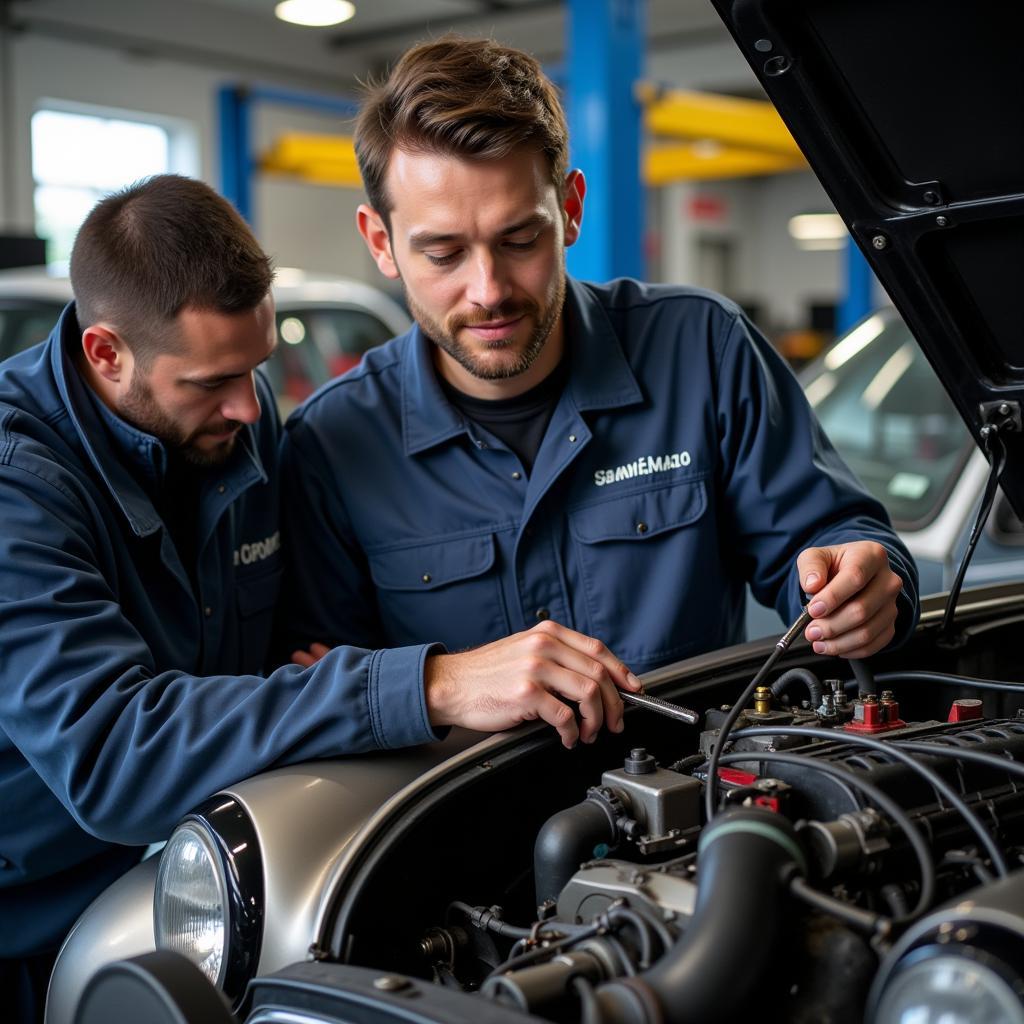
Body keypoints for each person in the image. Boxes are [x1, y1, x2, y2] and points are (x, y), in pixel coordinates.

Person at [3, 175, 634, 1022]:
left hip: (199, 893)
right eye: (210, 382)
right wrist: (429, 684)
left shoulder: (239, 414)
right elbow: (116, 755)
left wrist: (337, 676)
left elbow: (282, 659)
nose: (250, 405)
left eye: (257, 367)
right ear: (106, 354)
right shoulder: (19, 490)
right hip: (32, 925)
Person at [278, 36, 919, 716]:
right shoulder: (332, 445)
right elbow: (320, 691)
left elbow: (826, 538)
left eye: (520, 240)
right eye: (443, 254)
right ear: (381, 242)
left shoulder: (703, 349)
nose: (488, 289)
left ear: (571, 209)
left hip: (696, 802)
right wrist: (441, 684)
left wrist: (861, 584)